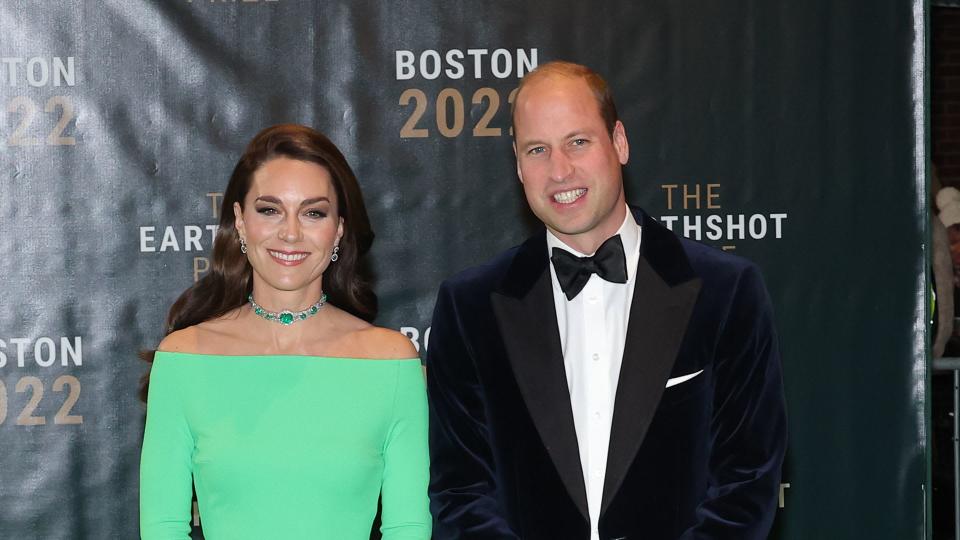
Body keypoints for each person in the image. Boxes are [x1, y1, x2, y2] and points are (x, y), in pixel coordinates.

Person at [427, 61, 787, 540]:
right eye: (538, 149)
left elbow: (747, 482)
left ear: (619, 142)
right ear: (517, 163)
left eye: (578, 142)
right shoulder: (469, 307)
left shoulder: (727, 292)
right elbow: (461, 493)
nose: (559, 171)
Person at [139, 124, 431, 540]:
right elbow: (163, 527)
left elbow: (408, 528)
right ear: (240, 221)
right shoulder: (183, 358)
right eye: (269, 209)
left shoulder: (391, 362)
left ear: (340, 229)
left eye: (313, 212)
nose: (290, 232)